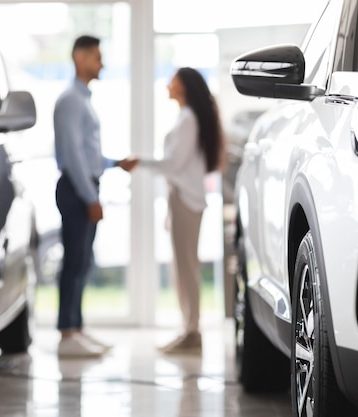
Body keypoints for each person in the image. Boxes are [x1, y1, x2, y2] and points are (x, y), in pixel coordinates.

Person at [53, 35, 135, 357]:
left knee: (82, 261)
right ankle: (66, 334)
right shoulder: (71, 100)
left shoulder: (83, 99)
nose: (101, 64)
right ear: (80, 57)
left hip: (84, 185)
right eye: (96, 57)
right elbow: (72, 157)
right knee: (74, 261)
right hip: (77, 189)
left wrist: (115, 163)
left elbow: (87, 154)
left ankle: (76, 329)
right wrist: (90, 198)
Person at [133, 67, 225, 354]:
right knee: (183, 266)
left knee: (186, 267)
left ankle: (192, 330)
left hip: (186, 199)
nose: (167, 85)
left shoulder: (188, 120)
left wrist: (139, 162)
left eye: (172, 81)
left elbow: (172, 165)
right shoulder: (187, 118)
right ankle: (189, 327)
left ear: (184, 87)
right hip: (182, 199)